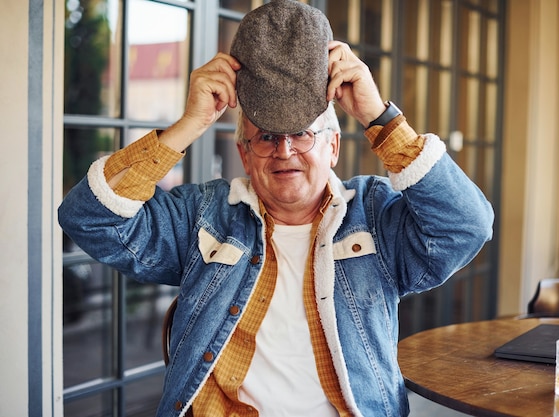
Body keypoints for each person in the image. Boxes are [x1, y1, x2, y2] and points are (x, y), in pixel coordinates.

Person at [58, 1, 494, 416]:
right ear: (245, 155)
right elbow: (88, 218)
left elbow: (467, 226)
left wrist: (379, 117)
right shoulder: (203, 215)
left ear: (334, 146)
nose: (284, 151)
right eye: (266, 136)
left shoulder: (375, 215)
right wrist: (189, 125)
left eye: (302, 133)